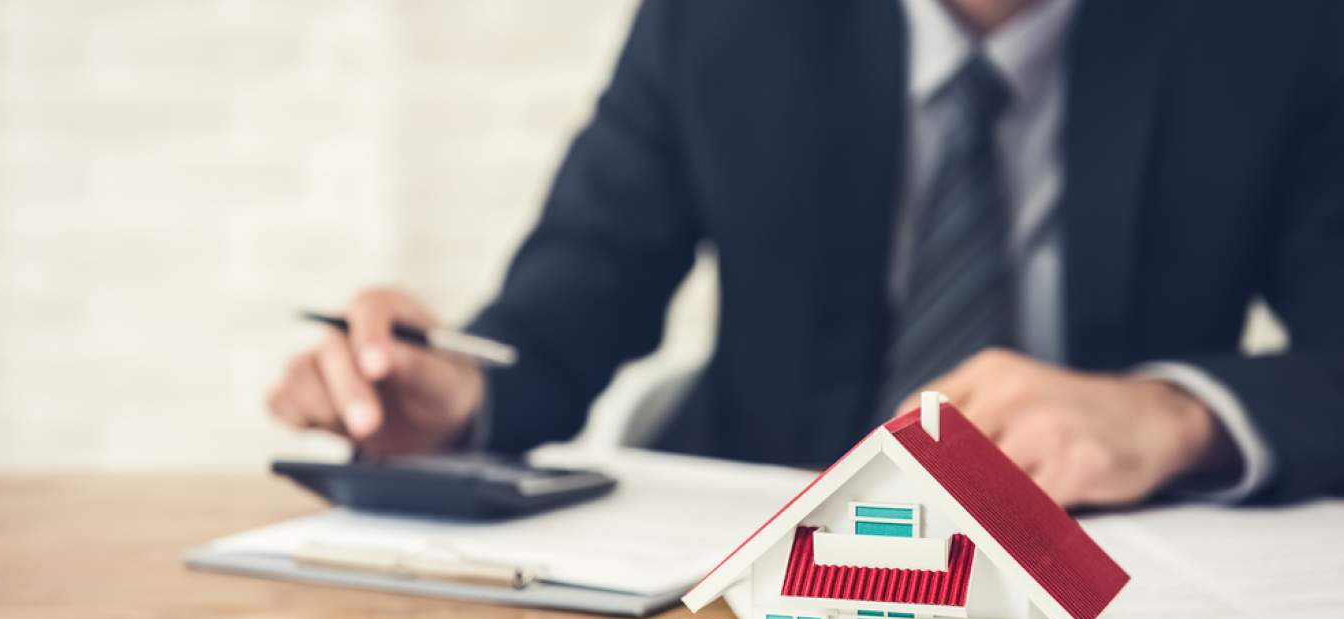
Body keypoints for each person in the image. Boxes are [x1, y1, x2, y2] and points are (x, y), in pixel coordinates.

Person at [267, 0, 1344, 508]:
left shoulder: (1279, 34)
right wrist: (452, 395)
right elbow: (578, 291)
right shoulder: (719, 20)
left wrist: (1179, 414)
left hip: (1113, 558)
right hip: (772, 546)